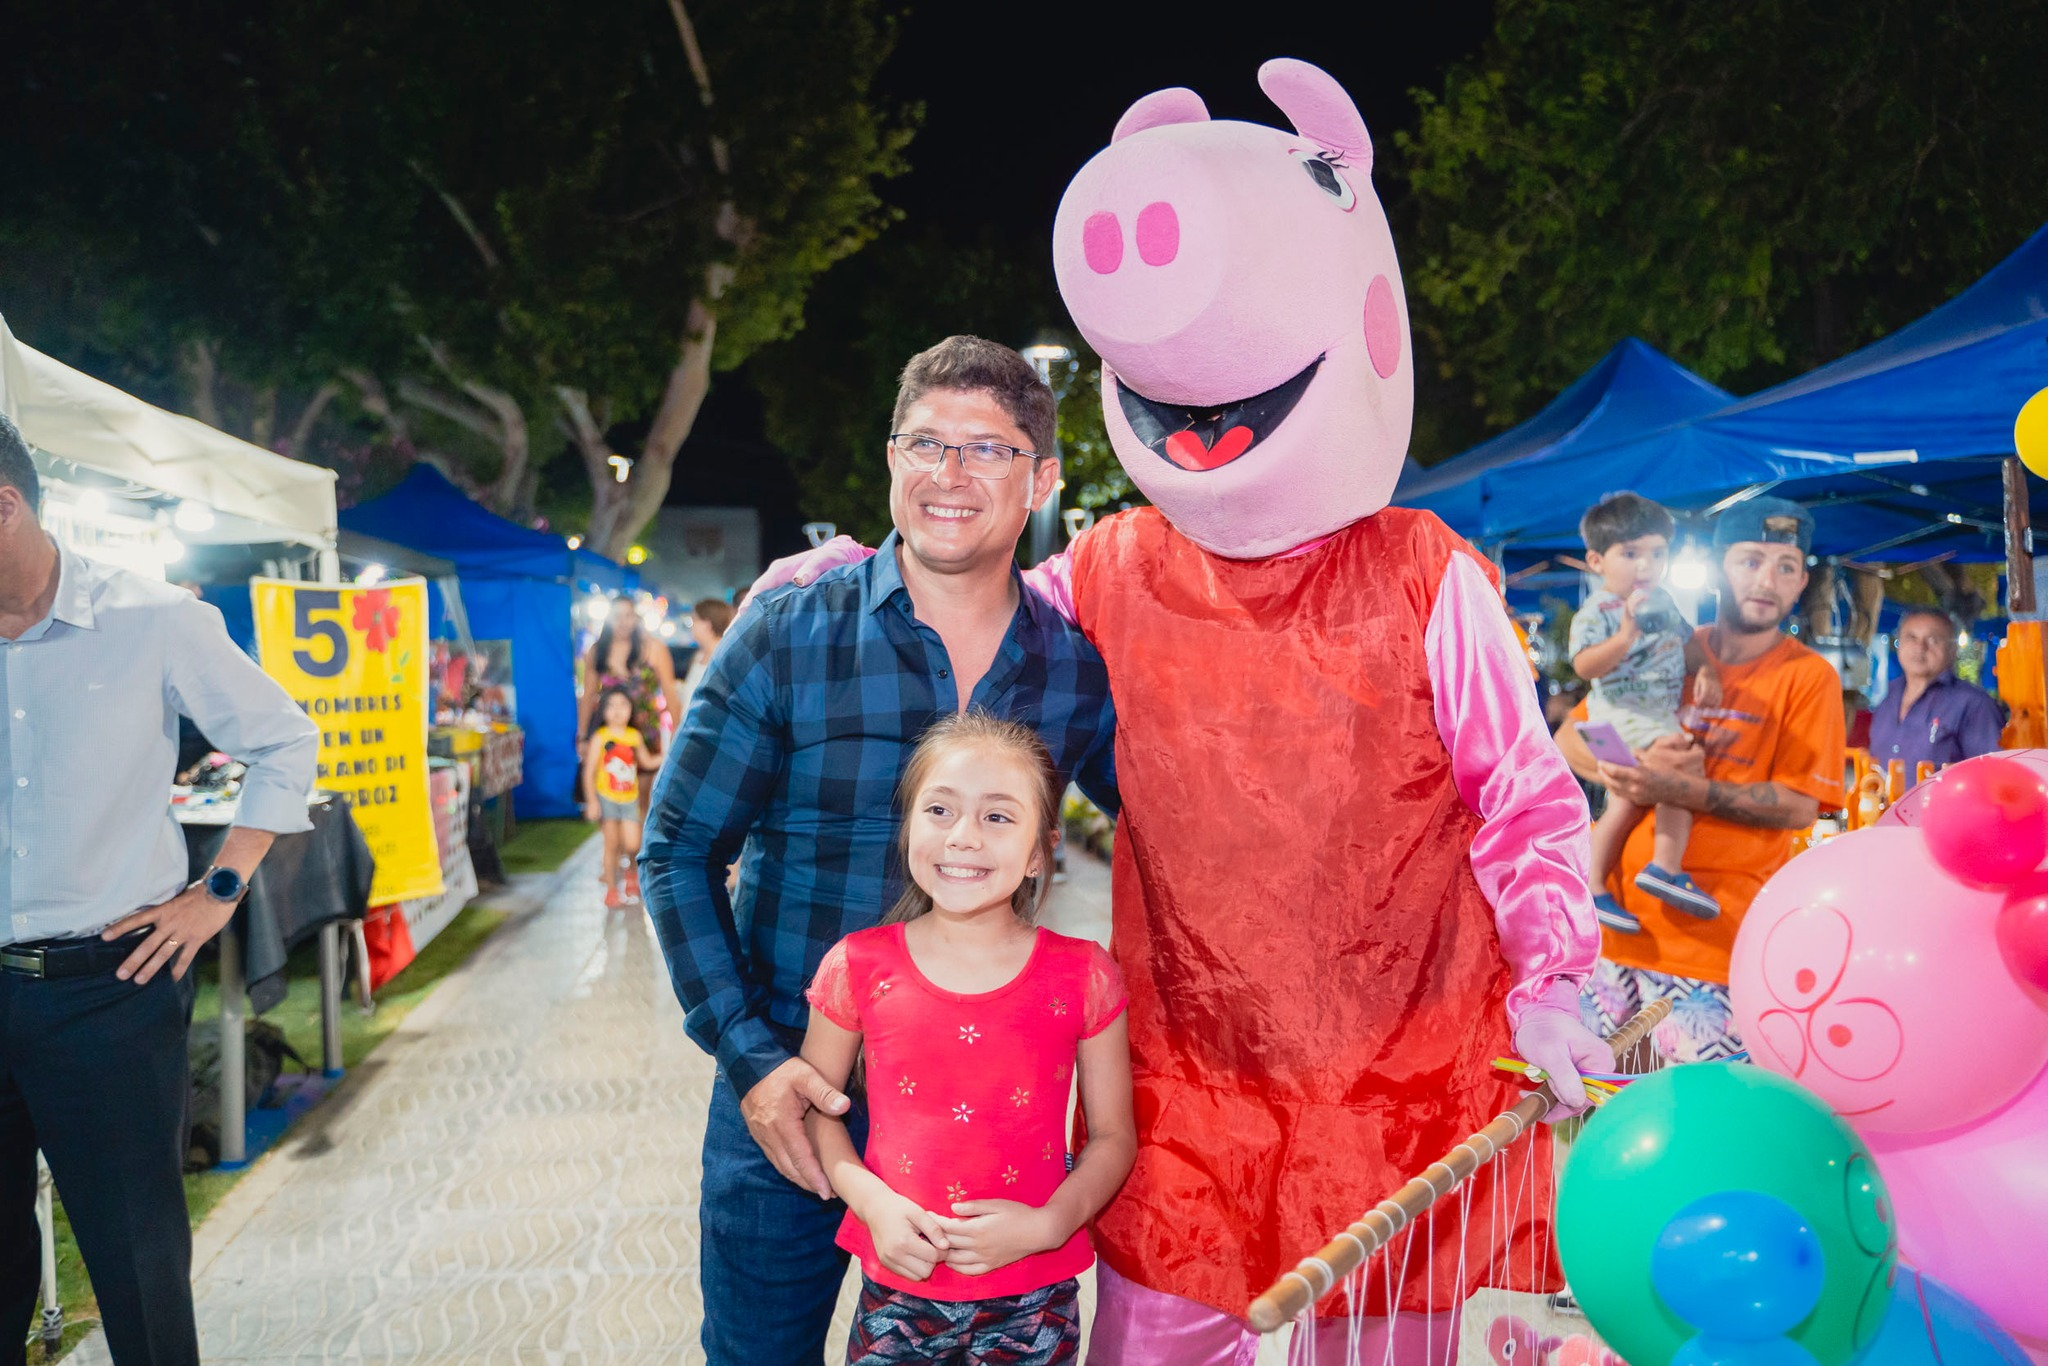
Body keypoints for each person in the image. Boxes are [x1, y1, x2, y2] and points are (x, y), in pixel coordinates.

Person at [640, 336, 1117, 1366]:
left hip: (985, 1120)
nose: (950, 474)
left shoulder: (1073, 672)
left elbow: (1176, 835)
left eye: (987, 450)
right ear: (892, 457)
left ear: (1041, 480)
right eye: (926, 443)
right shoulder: (787, 636)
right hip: (794, 1091)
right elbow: (676, 851)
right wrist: (752, 1061)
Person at [0, 414, 319, 1364]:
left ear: (5, 505)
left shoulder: (151, 617)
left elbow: (286, 740)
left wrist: (217, 889)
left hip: (108, 991)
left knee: (137, 1270)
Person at [801, 713, 1134, 1365]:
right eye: (940, 810)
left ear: (1040, 851)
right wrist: (871, 1204)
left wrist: (1049, 1224)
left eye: (998, 816)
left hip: (1036, 1295)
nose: (963, 836)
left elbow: (1115, 1136)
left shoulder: (1084, 974)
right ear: (909, 828)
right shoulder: (857, 966)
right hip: (899, 1293)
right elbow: (818, 1111)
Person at [1559, 497, 1846, 1064]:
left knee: (1695, 1112)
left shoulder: (1809, 677)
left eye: (1785, 567)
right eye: (1749, 561)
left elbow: (1799, 806)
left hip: (1712, 950)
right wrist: (1628, 773)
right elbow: (1569, 739)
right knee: (1592, 1104)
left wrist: (1675, 790)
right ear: (1719, 569)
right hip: (1610, 934)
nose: (1766, 580)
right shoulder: (1665, 641)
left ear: (1801, 583)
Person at [1568, 493, 1723, 935]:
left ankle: (1591, 886)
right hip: (1626, 715)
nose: (1646, 566)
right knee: (1683, 774)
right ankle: (1665, 867)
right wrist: (1625, 634)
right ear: (1597, 561)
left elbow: (1689, 644)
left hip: (1646, 717)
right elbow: (1584, 666)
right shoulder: (1598, 611)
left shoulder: (1664, 601)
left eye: (1657, 554)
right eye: (1631, 554)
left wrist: (1706, 670)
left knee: (1626, 801)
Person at [1869, 608, 2003, 772]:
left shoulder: (1974, 704)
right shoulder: (1888, 696)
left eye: (1933, 639)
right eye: (1911, 638)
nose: (1920, 647)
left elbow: (1993, 774)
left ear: (1952, 649)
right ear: (1899, 644)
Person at [578, 595, 683, 776]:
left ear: (635, 618)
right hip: (609, 734)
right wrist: (583, 737)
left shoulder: (654, 648)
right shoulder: (597, 651)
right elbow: (588, 696)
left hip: (646, 733)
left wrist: (677, 732)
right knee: (609, 785)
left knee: (644, 787)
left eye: (628, 616)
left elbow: (670, 694)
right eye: (617, 616)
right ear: (609, 619)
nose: (623, 622)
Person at [581, 687, 659, 909]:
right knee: (611, 844)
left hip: (629, 799)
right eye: (611, 706)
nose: (617, 711)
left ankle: (631, 872)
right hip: (607, 798)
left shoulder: (634, 736)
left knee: (633, 842)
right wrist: (592, 801)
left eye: (623, 705)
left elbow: (646, 761)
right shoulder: (600, 737)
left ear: (631, 710)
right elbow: (589, 772)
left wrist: (669, 755)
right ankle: (612, 890)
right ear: (603, 710)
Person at [677, 596, 735, 716]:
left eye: (695, 620)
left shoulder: (724, 657)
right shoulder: (698, 656)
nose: (692, 625)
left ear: (707, 624)